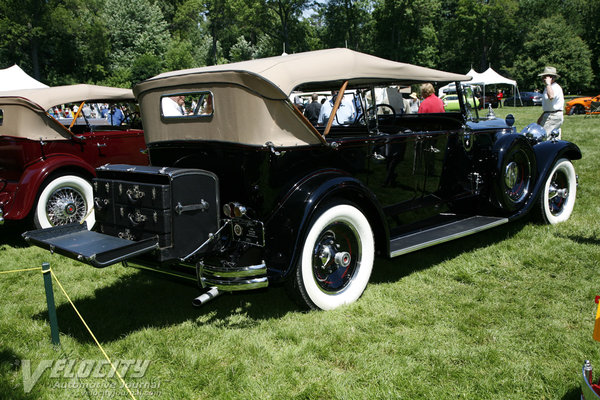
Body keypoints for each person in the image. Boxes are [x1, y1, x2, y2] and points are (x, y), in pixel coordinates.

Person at [536, 66, 564, 139]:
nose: (543, 79)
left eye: (544, 77)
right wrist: (542, 116)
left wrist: (548, 83)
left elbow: (551, 96)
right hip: (549, 114)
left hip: (553, 116)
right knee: (554, 138)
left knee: (546, 138)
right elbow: (549, 105)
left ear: (550, 78)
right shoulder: (549, 87)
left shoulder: (554, 87)